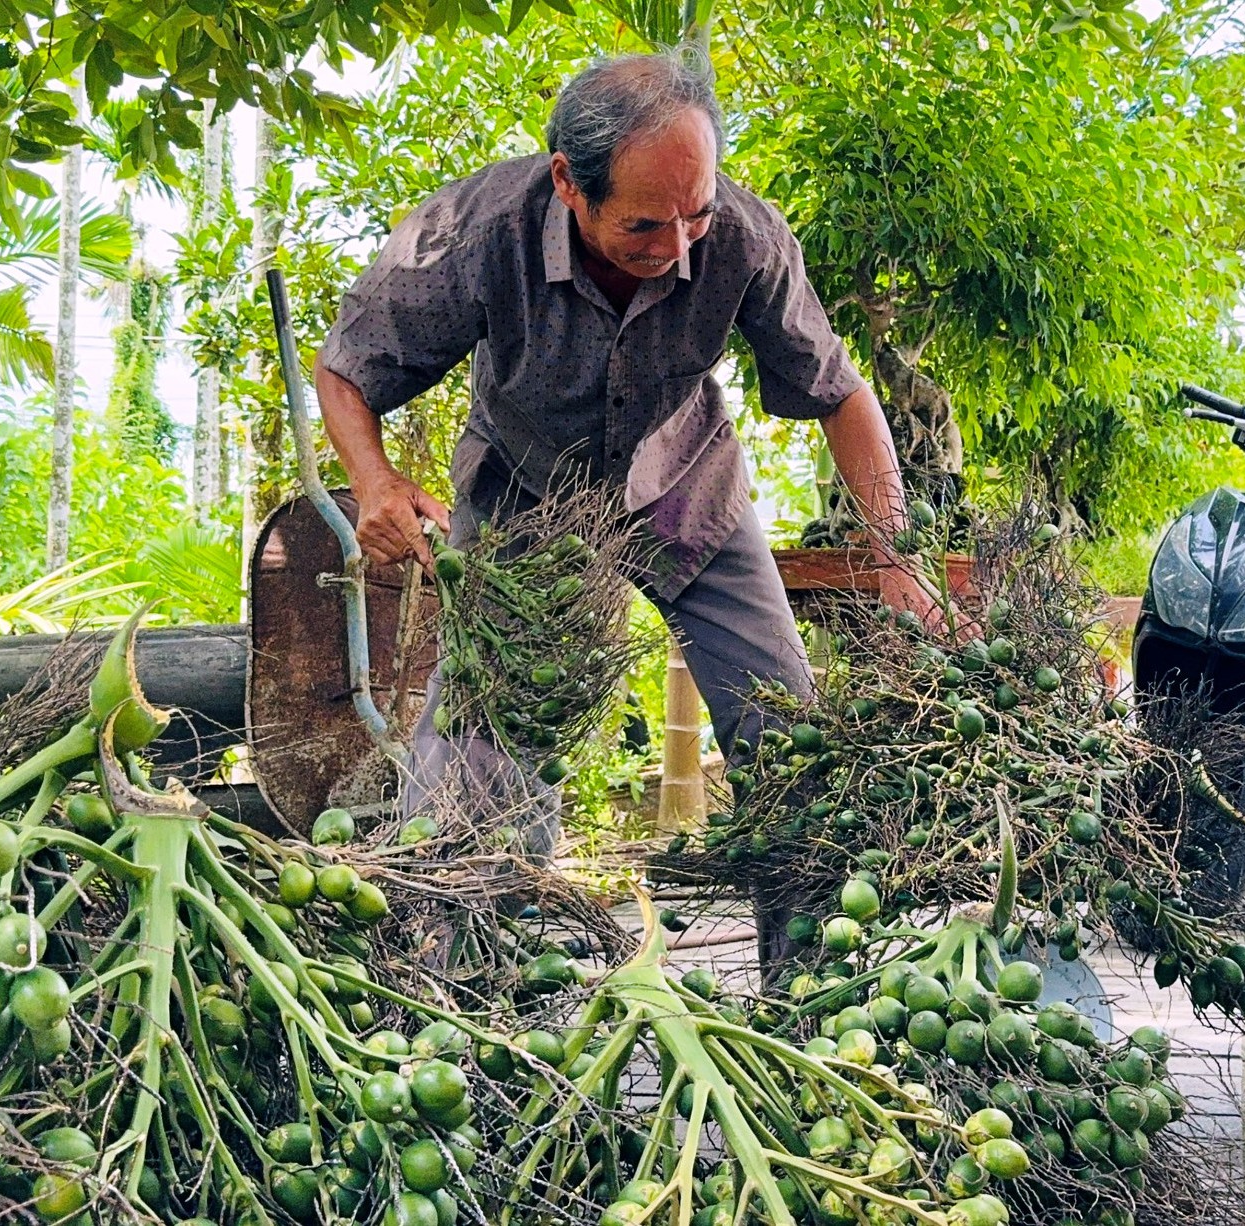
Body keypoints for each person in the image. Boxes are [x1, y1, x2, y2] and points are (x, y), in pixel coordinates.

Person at [314, 52, 934, 847]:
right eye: (644, 224)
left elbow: (843, 395)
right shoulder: (476, 232)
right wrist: (375, 483)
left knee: (787, 736)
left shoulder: (745, 238)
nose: (678, 247)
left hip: (686, 490)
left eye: (696, 214)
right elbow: (344, 370)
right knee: (482, 756)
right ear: (570, 181)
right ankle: (483, 954)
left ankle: (803, 967)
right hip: (523, 497)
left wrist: (894, 550)